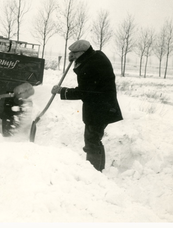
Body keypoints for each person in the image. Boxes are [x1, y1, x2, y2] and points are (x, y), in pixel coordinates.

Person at [51, 40, 123, 172]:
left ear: (82, 53)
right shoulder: (97, 56)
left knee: (92, 141)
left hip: (99, 108)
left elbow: (83, 91)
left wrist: (62, 91)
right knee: (94, 140)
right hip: (103, 105)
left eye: (74, 53)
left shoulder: (89, 66)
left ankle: (94, 172)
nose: (71, 55)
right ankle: (97, 170)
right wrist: (77, 61)